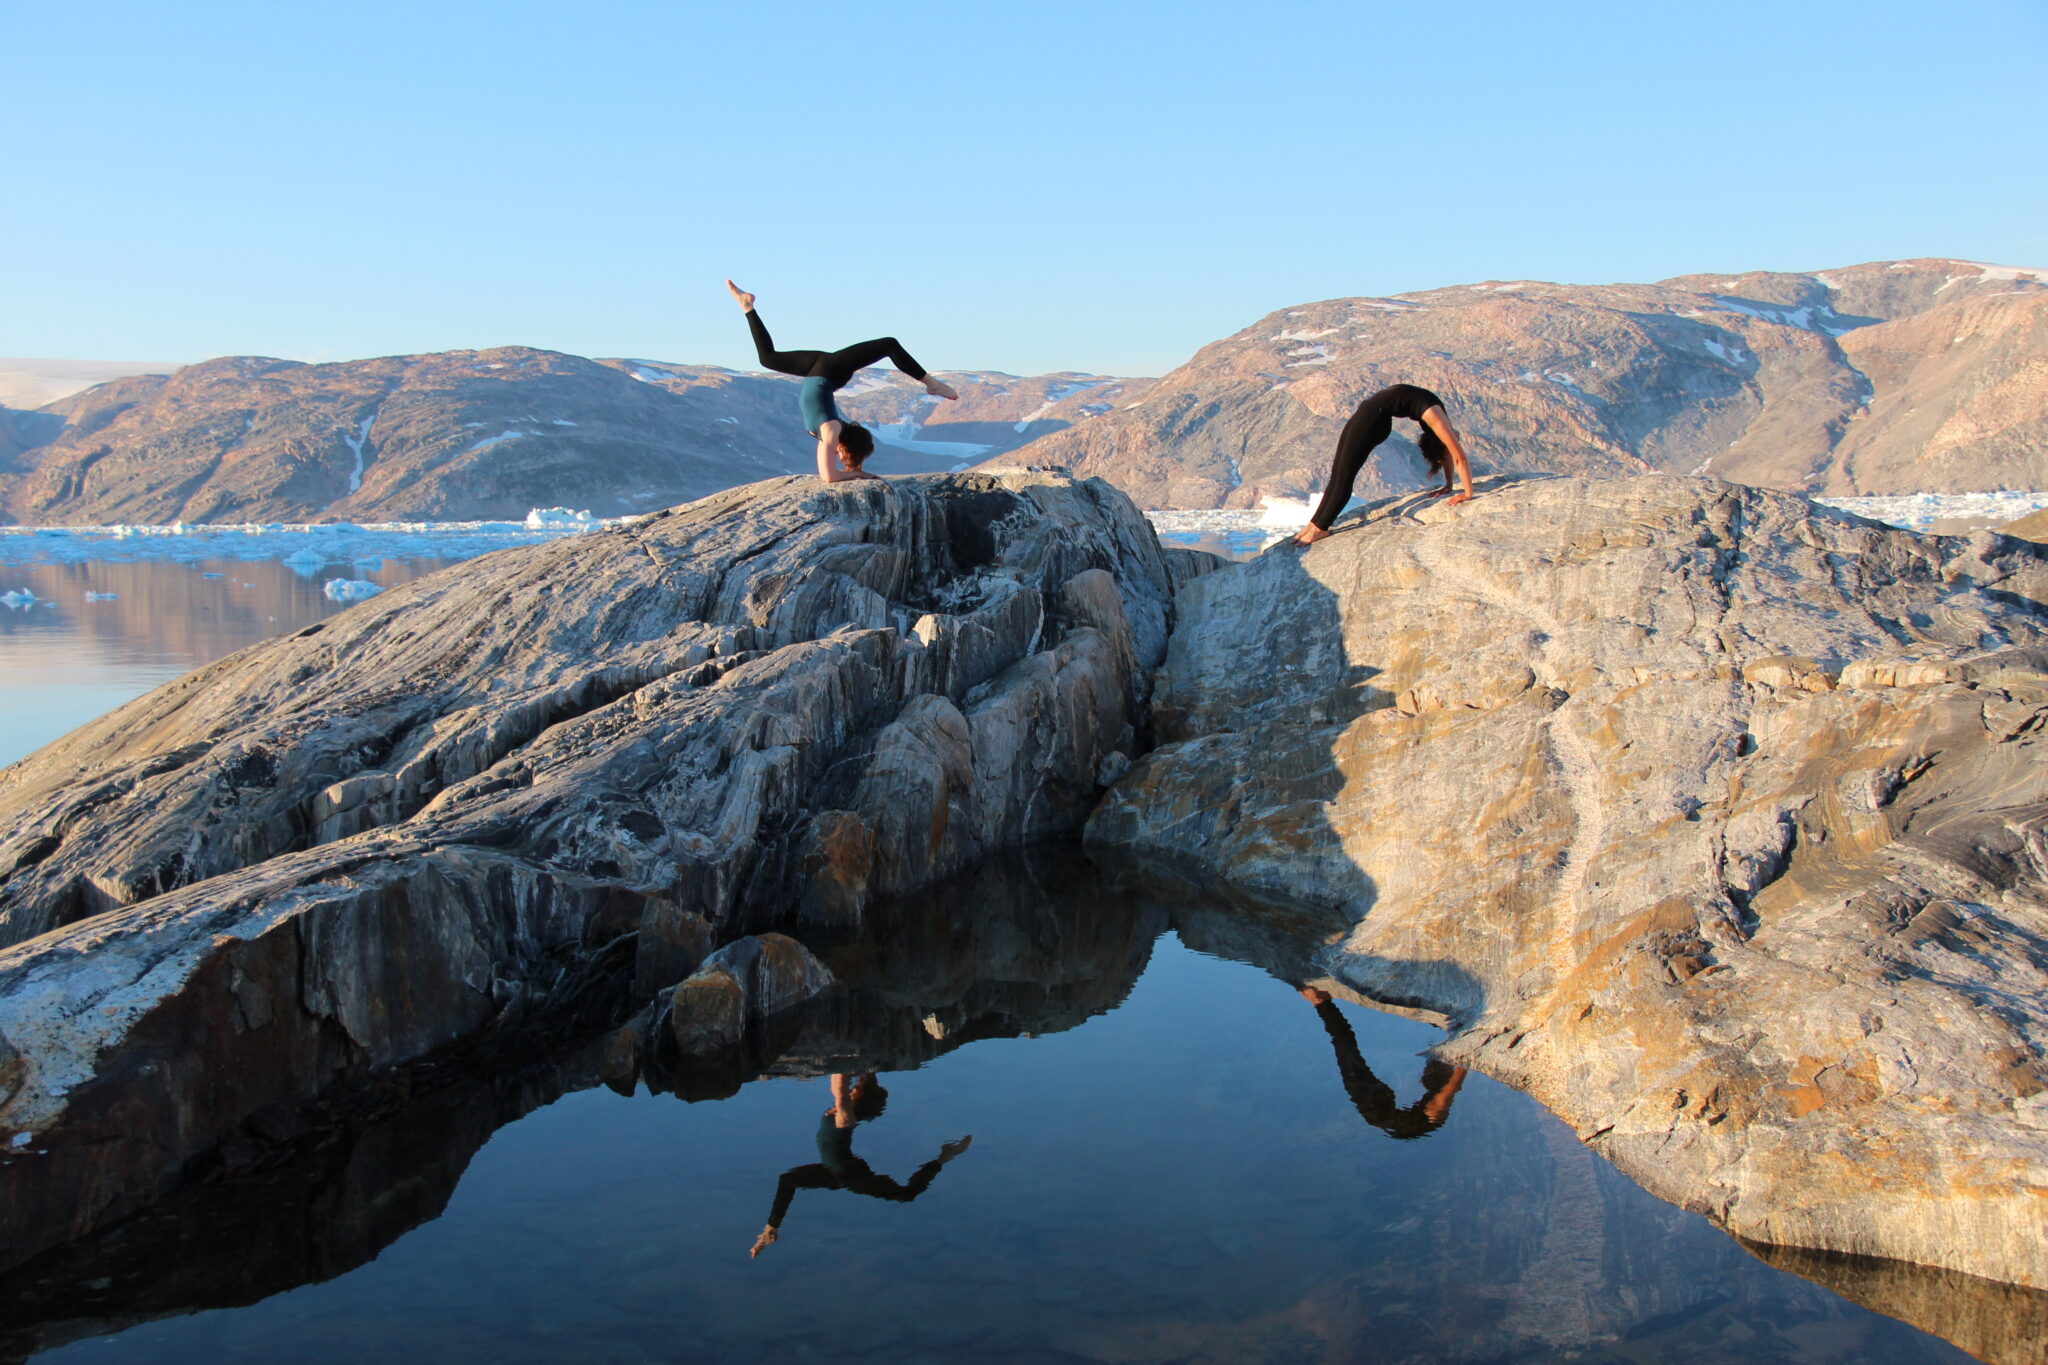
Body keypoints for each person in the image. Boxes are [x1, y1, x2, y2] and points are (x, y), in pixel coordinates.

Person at [728, 280, 959, 484]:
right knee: (889, 344)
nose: (838, 456)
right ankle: (931, 383)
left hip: (815, 370)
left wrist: (856, 471)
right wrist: (861, 475)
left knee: (767, 359)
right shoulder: (831, 430)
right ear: (847, 446)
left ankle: (747, 306)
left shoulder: (828, 433)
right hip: (829, 371)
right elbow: (830, 477)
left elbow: (828, 473)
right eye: (843, 454)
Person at [749, 1072, 973, 1258]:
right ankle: (771, 1229)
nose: (852, 1089)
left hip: (846, 1175)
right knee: (787, 1180)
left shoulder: (845, 1116)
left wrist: (842, 1061)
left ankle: (945, 1156)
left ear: (857, 1099)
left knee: (906, 1194)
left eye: (855, 1090)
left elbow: (839, 1084)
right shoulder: (846, 1111)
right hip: (834, 1172)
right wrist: (866, 1069)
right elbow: (857, 1081)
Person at [1293, 384, 1475, 544]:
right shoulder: (1440, 421)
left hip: (1374, 420)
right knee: (1338, 475)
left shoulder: (1438, 420)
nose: (1455, 440)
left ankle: (1321, 528)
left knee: (1344, 477)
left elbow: (1459, 458)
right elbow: (1452, 454)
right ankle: (1314, 524)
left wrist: (1466, 493)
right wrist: (1449, 484)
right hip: (1369, 413)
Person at [1300, 987, 1467, 1139]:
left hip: (1381, 1112)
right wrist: (1463, 1060)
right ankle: (1322, 1003)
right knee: (1346, 1050)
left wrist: (1463, 1061)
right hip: (1381, 1114)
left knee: (1346, 1050)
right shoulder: (1431, 1110)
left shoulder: (1433, 1111)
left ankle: (1321, 1003)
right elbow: (1450, 1087)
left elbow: (1452, 1087)